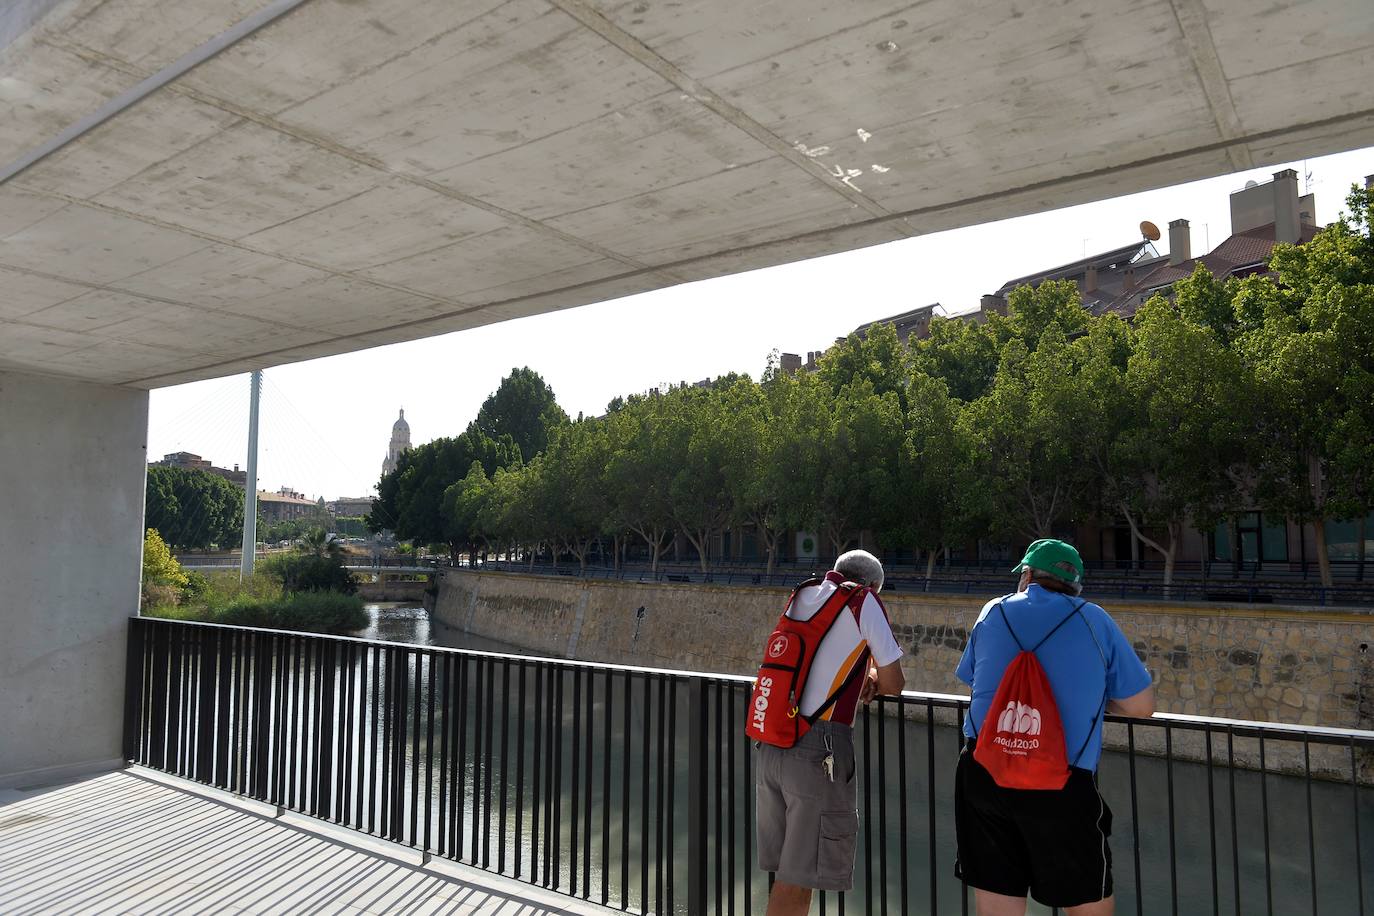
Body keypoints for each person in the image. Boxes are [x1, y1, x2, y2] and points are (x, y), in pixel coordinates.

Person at [954, 539, 1154, 916]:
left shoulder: (993, 611)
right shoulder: (1095, 620)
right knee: (1085, 900)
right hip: (1061, 780)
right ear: (1074, 585)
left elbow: (975, 680)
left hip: (984, 772)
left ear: (1027, 576)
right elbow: (1141, 707)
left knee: (997, 900)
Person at [755, 549, 906, 916]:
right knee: (798, 879)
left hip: (774, 741)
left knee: (788, 872)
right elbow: (895, 682)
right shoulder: (862, 600)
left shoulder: (804, 593)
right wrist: (874, 680)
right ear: (872, 585)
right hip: (818, 749)